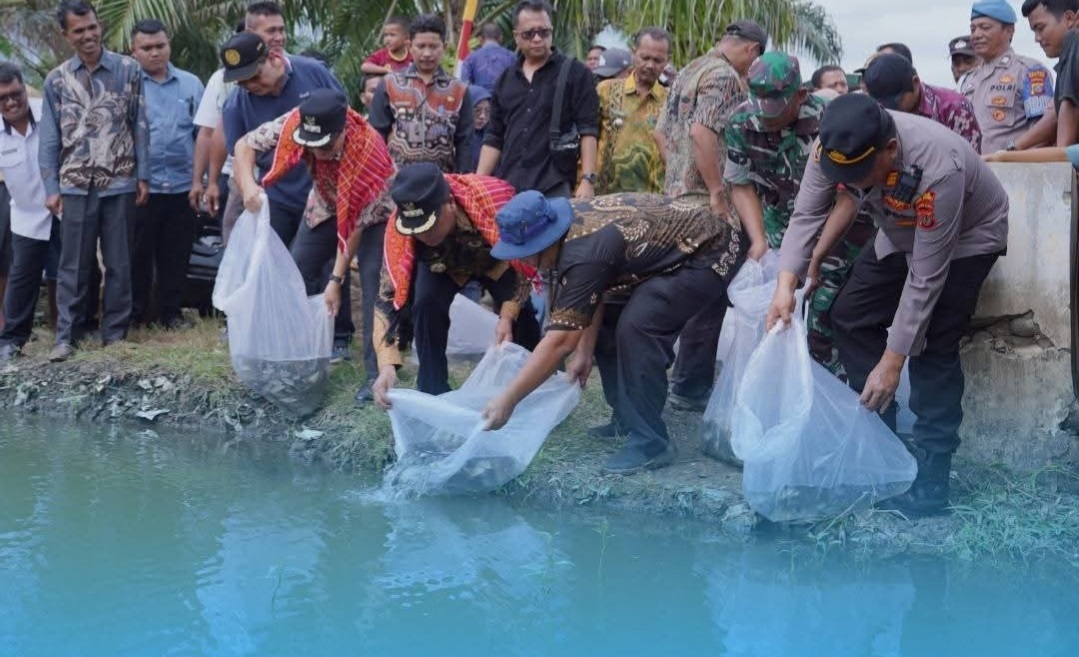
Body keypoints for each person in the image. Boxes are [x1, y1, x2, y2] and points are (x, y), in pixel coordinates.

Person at [767, 93, 1008, 515]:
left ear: (891, 150)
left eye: (862, 174)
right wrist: (785, 284)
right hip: (899, 232)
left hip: (967, 238)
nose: (857, 185)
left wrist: (893, 362)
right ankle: (884, 442)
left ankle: (933, 477)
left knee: (933, 342)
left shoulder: (939, 167)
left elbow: (927, 277)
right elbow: (806, 215)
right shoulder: (833, 145)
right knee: (849, 315)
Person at [478, 191, 746, 474]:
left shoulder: (583, 252)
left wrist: (508, 400)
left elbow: (560, 342)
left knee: (639, 326)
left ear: (544, 241)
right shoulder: (568, 232)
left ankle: (650, 442)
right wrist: (584, 353)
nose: (525, 261)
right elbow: (598, 293)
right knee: (612, 323)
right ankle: (628, 419)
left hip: (711, 249)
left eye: (526, 253)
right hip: (674, 252)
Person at [233, 89, 396, 398]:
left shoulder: (368, 151)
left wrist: (336, 279)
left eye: (326, 144)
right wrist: (248, 185)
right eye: (311, 143)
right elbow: (244, 145)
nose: (318, 150)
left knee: (375, 285)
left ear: (344, 130)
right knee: (294, 271)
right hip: (325, 202)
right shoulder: (297, 122)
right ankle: (297, 360)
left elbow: (354, 228)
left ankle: (375, 375)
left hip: (372, 216)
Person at [653, 19, 765, 412]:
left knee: (674, 290)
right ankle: (688, 386)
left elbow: (662, 134)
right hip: (706, 203)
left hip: (676, 200)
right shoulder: (727, 78)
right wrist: (716, 190)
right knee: (708, 295)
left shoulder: (689, 69)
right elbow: (703, 133)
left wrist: (679, 173)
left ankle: (667, 376)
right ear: (752, 51)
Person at [369, 163, 541, 401]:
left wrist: (507, 315)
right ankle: (433, 392)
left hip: (495, 259)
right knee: (425, 305)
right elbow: (387, 296)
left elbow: (524, 265)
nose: (423, 236)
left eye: (429, 226)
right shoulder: (400, 230)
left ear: (449, 203)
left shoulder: (494, 204)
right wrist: (386, 366)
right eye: (415, 230)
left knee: (521, 317)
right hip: (440, 265)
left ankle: (540, 383)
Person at [39, 0, 149, 362]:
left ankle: (114, 336)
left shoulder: (129, 70)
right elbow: (50, 139)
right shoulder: (56, 80)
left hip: (119, 180)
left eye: (92, 27)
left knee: (119, 262)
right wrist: (52, 186)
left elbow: (139, 126)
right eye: (79, 30)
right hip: (74, 184)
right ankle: (66, 337)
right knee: (73, 264)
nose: (88, 35)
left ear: (99, 25)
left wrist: (142, 175)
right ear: (65, 35)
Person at [220, 31, 346, 248]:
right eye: (242, 82)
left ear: (274, 58)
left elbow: (346, 118)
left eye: (254, 77)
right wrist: (248, 187)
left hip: (326, 194)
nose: (250, 85)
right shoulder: (235, 105)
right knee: (272, 268)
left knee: (323, 270)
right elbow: (239, 157)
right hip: (277, 198)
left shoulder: (313, 72)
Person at [476, 0, 600, 199]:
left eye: (543, 32)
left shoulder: (576, 73)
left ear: (551, 31)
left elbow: (589, 130)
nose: (537, 39)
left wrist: (587, 180)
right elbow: (494, 136)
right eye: (528, 34)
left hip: (554, 185)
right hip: (509, 186)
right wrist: (479, 181)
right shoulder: (505, 79)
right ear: (516, 36)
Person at [129, 19, 204, 329]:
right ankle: (135, 314)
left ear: (168, 45)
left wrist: (201, 181)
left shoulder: (191, 84)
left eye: (160, 46)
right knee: (137, 255)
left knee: (176, 253)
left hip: (183, 185)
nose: (155, 53)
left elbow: (204, 135)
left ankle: (170, 314)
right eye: (146, 48)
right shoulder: (128, 85)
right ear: (133, 52)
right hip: (141, 187)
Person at [0, 63, 59, 360]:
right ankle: (11, 342)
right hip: (24, 216)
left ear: (25, 88)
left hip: (61, 210)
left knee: (66, 276)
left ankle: (67, 335)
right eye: (3, 98)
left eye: (16, 94)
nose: (11, 102)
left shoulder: (49, 112)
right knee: (22, 278)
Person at [368, 14, 473, 174]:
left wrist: (464, 181)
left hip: (442, 183)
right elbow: (376, 136)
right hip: (396, 183)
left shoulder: (459, 89)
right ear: (410, 46)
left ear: (444, 47)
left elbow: (465, 142)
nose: (427, 53)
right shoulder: (390, 84)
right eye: (421, 46)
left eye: (433, 46)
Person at [963, 0, 1055, 154]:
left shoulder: (1029, 72)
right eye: (973, 29)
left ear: (1009, 31)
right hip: (973, 173)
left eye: (985, 28)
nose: (977, 35)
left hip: (1013, 171)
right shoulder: (967, 81)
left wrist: (1011, 154)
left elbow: (1044, 133)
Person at [594, 28, 670, 195]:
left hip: (654, 200)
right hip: (606, 196)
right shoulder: (606, 91)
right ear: (633, 53)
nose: (650, 65)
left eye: (658, 60)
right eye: (645, 58)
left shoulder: (671, 101)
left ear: (667, 61)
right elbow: (590, 138)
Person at [863, 53, 983, 152]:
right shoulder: (877, 111)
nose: (892, 109)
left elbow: (972, 161)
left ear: (915, 83)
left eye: (896, 101)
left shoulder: (954, 107)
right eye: (883, 103)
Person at [1022, 0, 1079, 146]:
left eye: (1040, 28)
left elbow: (1063, 152)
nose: (1037, 38)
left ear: (1069, 19)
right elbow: (1054, 115)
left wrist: (1002, 157)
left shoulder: (1075, 43)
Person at [460, 22, 517, 93]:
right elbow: (518, 83)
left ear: (480, 39)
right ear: (501, 38)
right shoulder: (512, 57)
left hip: (479, 101)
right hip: (506, 101)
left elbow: (464, 84)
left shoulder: (470, 58)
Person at [468, 85, 492, 171]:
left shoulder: (491, 140)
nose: (482, 116)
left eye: (487, 111)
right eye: (477, 111)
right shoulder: (452, 137)